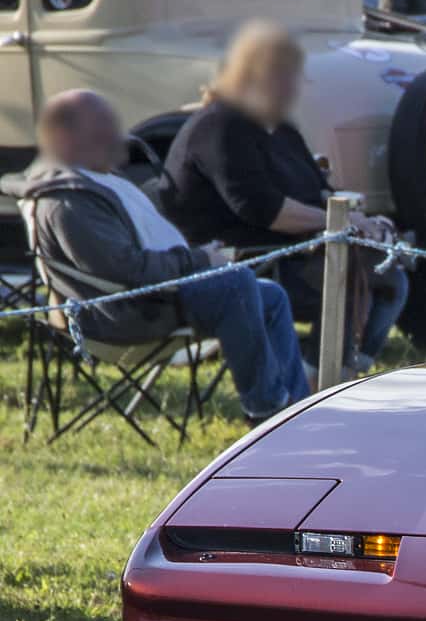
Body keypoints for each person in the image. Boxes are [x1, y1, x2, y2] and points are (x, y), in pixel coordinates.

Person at [25, 91, 308, 422]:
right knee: (236, 285)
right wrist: (199, 260)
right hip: (123, 316)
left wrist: (198, 259)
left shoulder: (93, 181)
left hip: (150, 297)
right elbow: (129, 270)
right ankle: (267, 410)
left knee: (270, 295)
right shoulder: (69, 202)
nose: (118, 137)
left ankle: (298, 411)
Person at [162, 22, 408, 372]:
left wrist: (366, 222)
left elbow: (318, 190)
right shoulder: (220, 126)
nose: (295, 87)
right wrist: (339, 224)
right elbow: (260, 208)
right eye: (287, 76)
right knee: (348, 275)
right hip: (247, 263)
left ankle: (343, 373)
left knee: (391, 279)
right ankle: (314, 383)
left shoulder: (280, 128)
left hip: (290, 253)